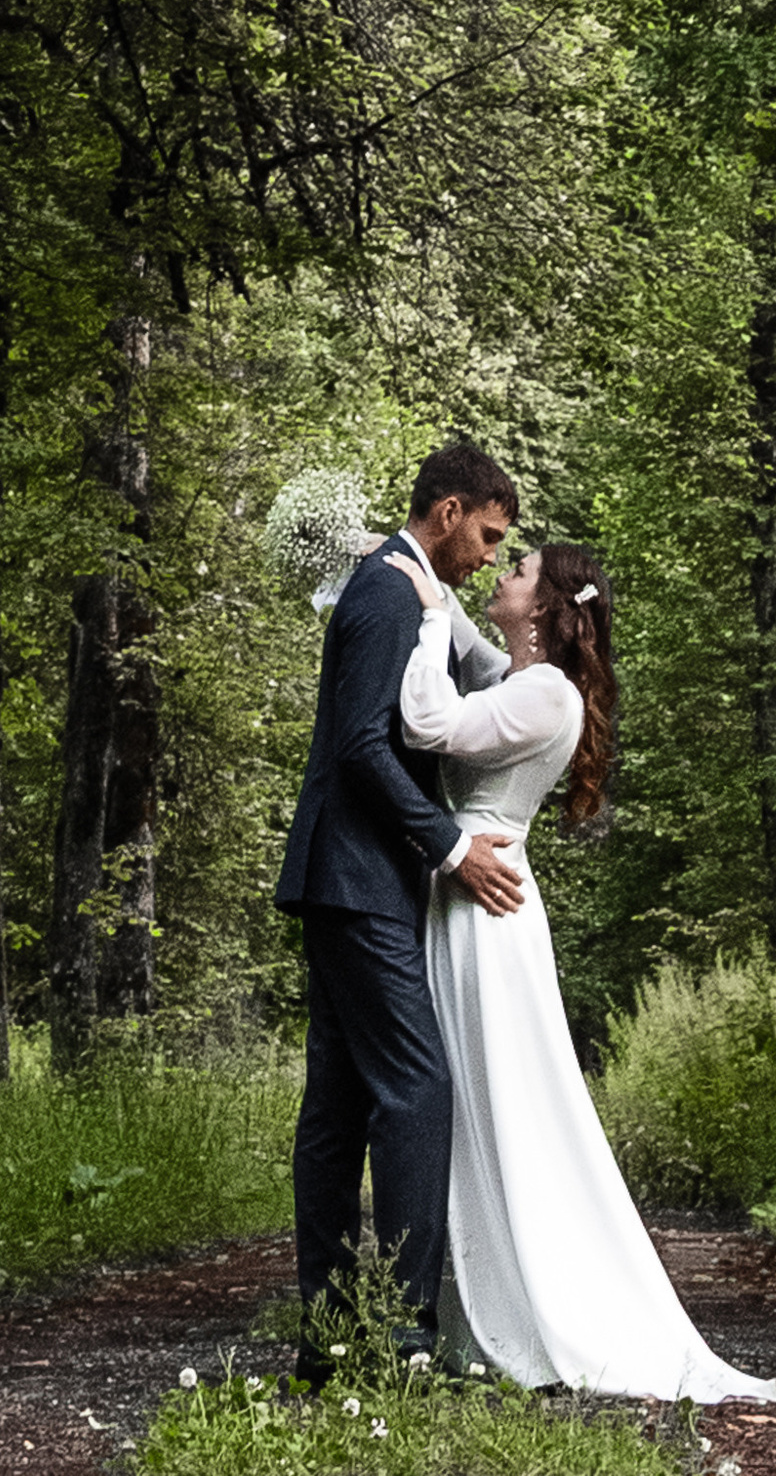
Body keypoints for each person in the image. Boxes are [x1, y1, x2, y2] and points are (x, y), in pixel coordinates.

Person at [389, 533, 776, 1406]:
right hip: (470, 895)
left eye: (518, 572)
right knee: (471, 1096)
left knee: (500, 1096)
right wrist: (417, 576)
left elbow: (428, 721)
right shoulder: (528, 680)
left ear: (546, 609)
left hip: (488, 906)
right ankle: (470, 1300)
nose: (502, 575)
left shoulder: (547, 696)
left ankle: (528, 1302)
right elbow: (483, 662)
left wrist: (432, 618)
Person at [273, 436, 526, 1385]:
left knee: (338, 1112)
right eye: (489, 534)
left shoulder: (399, 587)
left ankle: (331, 1339)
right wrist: (453, 848)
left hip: (346, 879)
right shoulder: (384, 589)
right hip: (362, 880)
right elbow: (360, 751)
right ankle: (406, 1337)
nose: (491, 555)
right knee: (418, 1092)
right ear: (449, 510)